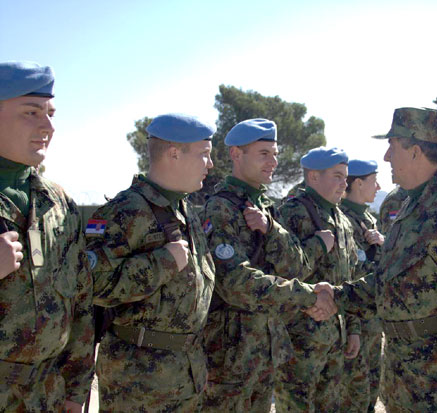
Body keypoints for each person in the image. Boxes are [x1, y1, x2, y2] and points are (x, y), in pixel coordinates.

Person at [314, 107, 437, 413]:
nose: (386, 157)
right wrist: (337, 296)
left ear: (416, 151)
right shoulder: (414, 202)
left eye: (392, 147)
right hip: (406, 377)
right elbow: (391, 280)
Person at [201, 118, 337, 412]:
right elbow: (236, 284)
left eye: (275, 154)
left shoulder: (265, 207)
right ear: (236, 154)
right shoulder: (221, 207)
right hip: (229, 356)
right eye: (264, 154)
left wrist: (272, 230)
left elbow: (296, 267)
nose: (273, 162)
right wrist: (308, 296)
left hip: (264, 350)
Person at [86, 114, 219, 412]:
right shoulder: (125, 210)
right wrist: (163, 263)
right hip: (138, 383)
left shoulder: (184, 209)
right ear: (174, 153)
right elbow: (92, 285)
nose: (210, 164)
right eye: (204, 154)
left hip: (186, 374)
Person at [0, 61, 94, 413]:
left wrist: (76, 388)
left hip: (48, 394)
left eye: (50, 114)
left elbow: (80, 299)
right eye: (31, 112)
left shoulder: (57, 201)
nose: (48, 127)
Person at [276, 147, 362, 412]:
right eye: (337, 176)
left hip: (335, 336)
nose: (344, 184)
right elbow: (281, 272)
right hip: (300, 338)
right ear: (313, 176)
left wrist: (354, 328)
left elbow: (351, 277)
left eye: (345, 177)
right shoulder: (292, 213)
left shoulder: (341, 218)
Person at [340, 159, 384, 412]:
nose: (378, 187)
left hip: (373, 320)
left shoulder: (367, 217)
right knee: (353, 393)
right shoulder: (343, 219)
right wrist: (353, 327)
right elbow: (346, 278)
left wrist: (383, 243)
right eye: (373, 181)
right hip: (355, 320)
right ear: (357, 183)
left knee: (371, 387)